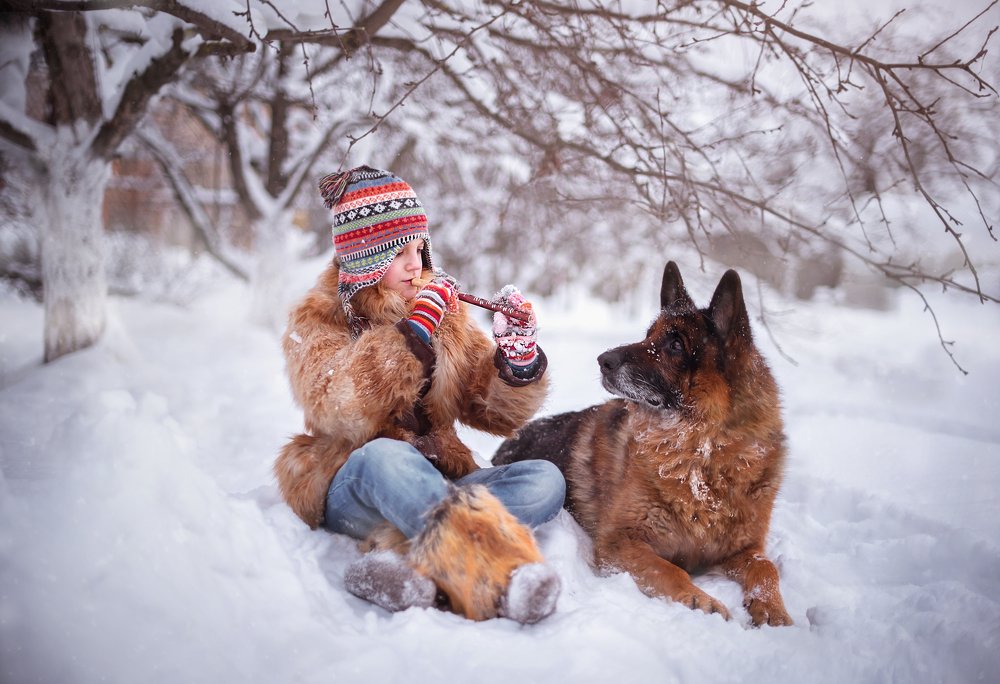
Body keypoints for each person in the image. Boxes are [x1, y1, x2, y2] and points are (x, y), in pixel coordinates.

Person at [274, 165, 566, 624]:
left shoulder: (440, 310)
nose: (417, 265)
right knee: (387, 457)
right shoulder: (319, 318)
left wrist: (517, 361)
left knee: (544, 479)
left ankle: (401, 563)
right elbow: (339, 404)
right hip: (357, 484)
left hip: (437, 482)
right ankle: (499, 581)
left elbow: (488, 409)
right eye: (400, 253)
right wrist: (411, 336)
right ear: (366, 259)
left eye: (419, 249)